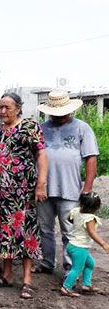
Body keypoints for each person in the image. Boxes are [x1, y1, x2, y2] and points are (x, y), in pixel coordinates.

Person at [0, 93, 48, 299]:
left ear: (18, 108)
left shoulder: (30, 127)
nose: (3, 111)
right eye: (0, 107)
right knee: (5, 230)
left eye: (7, 108)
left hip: (22, 191)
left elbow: (41, 155)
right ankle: (7, 275)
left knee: (25, 230)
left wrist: (41, 184)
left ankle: (27, 280)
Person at [33, 90, 99, 274]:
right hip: (44, 188)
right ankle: (47, 262)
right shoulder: (41, 128)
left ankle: (71, 265)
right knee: (45, 228)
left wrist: (87, 188)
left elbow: (91, 158)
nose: (59, 115)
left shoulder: (82, 128)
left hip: (70, 189)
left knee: (70, 231)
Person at [60, 192, 109, 297]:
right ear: (97, 208)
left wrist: (79, 224)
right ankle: (66, 287)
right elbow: (92, 233)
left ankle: (86, 285)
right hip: (79, 248)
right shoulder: (90, 218)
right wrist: (103, 244)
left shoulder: (76, 211)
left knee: (90, 264)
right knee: (77, 268)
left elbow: (69, 219)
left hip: (72, 245)